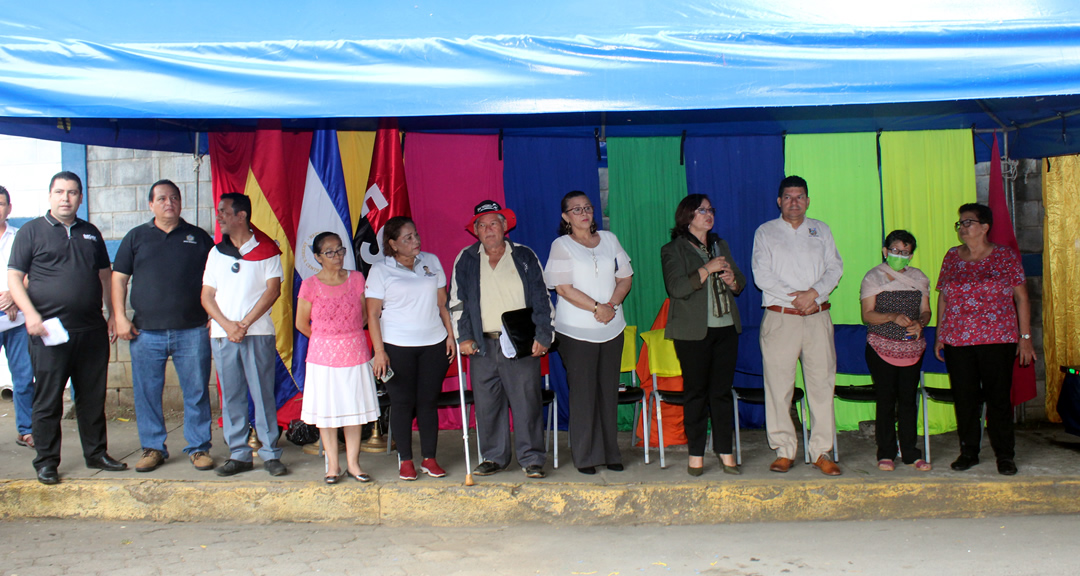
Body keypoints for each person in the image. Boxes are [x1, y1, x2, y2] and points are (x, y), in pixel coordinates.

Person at [7, 171, 127, 485]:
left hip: (91, 331)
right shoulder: (32, 232)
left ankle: (96, 453)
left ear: (80, 197)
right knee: (47, 400)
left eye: (72, 192)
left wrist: (114, 313)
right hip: (48, 332)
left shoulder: (90, 233)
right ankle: (46, 461)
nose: (66, 198)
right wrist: (30, 314)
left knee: (91, 397)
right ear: (50, 196)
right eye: (60, 192)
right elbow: (14, 279)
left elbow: (105, 275)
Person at [112, 179, 215, 473]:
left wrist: (213, 316)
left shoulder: (198, 237)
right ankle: (153, 448)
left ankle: (198, 448)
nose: (168, 203)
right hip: (145, 332)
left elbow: (215, 278)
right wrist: (119, 316)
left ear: (180, 203)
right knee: (147, 393)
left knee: (196, 391)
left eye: (174, 198)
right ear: (150, 204)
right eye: (161, 198)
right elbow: (119, 278)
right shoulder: (136, 237)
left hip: (192, 330)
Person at [450, 200, 554, 479]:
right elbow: (457, 302)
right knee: (487, 404)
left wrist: (543, 335)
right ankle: (494, 457)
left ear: (505, 226)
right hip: (482, 345)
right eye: (481, 225)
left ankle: (531, 458)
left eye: (493, 223)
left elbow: (542, 298)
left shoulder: (524, 255)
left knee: (526, 402)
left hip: (519, 343)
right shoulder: (467, 258)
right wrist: (464, 337)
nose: (488, 229)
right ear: (475, 231)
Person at [751, 175, 844, 476]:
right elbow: (762, 276)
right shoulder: (766, 232)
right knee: (779, 387)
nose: (794, 202)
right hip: (781, 318)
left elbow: (835, 268)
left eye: (800, 196)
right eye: (788, 197)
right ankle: (784, 450)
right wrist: (797, 299)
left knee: (821, 385)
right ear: (779, 201)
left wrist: (813, 294)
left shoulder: (822, 230)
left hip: (817, 317)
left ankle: (822, 451)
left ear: (807, 200)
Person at [934, 203, 1033, 476]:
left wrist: (1025, 338)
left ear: (985, 227)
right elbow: (944, 296)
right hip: (957, 341)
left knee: (998, 399)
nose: (962, 227)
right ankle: (969, 452)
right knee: (965, 399)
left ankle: (1005, 455)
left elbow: (1022, 297)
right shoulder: (952, 257)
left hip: (997, 340)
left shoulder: (1004, 256)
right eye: (960, 223)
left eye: (968, 222)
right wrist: (940, 335)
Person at [545, 191, 633, 475]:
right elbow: (563, 288)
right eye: (576, 210)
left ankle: (611, 452)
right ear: (565, 217)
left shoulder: (609, 239)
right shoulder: (561, 245)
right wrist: (597, 307)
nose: (584, 213)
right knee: (583, 393)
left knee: (608, 391)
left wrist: (611, 305)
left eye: (588, 208)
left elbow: (626, 276)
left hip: (612, 328)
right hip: (576, 332)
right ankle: (585, 455)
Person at [201, 192, 287, 477]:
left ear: (242, 215)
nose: (219, 216)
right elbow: (207, 296)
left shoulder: (267, 250)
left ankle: (270, 452)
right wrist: (228, 326)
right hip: (223, 335)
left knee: (263, 393)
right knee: (232, 394)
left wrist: (244, 324)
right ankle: (238, 453)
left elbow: (272, 291)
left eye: (224, 211)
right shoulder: (215, 253)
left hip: (257, 333)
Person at [661, 194, 745, 476]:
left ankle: (725, 451)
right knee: (696, 394)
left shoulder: (720, 245)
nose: (709, 214)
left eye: (711, 209)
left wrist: (733, 281)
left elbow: (741, 283)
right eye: (702, 210)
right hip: (692, 333)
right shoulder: (672, 249)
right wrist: (706, 268)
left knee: (720, 393)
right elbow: (677, 288)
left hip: (725, 329)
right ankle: (696, 453)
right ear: (687, 216)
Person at [367, 217, 455, 481]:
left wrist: (451, 336)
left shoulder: (432, 261)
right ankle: (405, 460)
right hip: (397, 346)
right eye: (407, 238)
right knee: (403, 403)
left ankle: (430, 458)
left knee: (428, 402)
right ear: (392, 244)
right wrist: (379, 351)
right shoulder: (381, 270)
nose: (416, 241)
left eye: (416, 235)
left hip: (434, 344)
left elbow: (442, 304)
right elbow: (372, 315)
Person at [295, 232, 380, 484]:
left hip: (354, 353)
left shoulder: (356, 279)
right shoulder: (310, 284)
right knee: (327, 412)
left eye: (340, 250)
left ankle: (353, 464)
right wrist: (326, 339)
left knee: (353, 410)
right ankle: (333, 465)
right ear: (318, 257)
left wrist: (346, 336)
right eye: (330, 252)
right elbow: (301, 323)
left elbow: (367, 315)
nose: (337, 256)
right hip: (322, 359)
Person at [860, 230, 932, 472]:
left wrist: (919, 323)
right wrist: (891, 316)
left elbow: (926, 312)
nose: (899, 256)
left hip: (912, 349)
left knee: (908, 401)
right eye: (895, 251)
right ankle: (887, 453)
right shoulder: (873, 277)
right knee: (886, 400)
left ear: (911, 255)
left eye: (905, 252)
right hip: (881, 348)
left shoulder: (919, 278)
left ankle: (911, 452)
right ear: (885, 251)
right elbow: (867, 314)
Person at [0, 185, 35, 450]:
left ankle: (27, 430)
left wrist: (14, 295)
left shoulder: (20, 236)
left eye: (1, 203)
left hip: (17, 318)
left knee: (24, 376)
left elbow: (29, 271)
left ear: (9, 208)